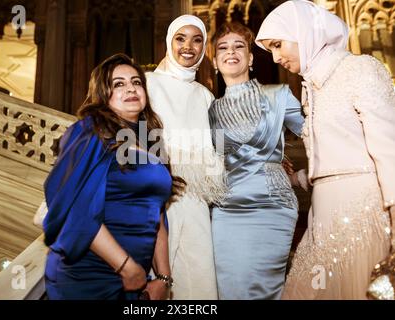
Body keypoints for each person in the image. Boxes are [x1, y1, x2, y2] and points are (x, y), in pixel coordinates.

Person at [256, 0, 395, 299]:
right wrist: (300, 176)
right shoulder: (311, 89)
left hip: (363, 214)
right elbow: (336, 159)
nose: (277, 57)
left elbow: (390, 152)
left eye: (279, 45)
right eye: (271, 51)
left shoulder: (360, 69)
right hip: (321, 216)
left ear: (304, 32)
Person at [42, 53, 183, 300]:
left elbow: (157, 212)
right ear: (102, 93)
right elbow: (76, 209)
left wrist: (163, 278)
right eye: (118, 84)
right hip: (89, 273)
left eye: (136, 82)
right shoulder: (90, 131)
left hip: (138, 276)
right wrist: (125, 267)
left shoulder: (150, 139)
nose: (130, 88)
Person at [208, 22, 305, 300]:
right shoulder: (209, 110)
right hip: (226, 210)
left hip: (272, 207)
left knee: (265, 290)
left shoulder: (279, 96)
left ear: (250, 58)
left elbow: (316, 134)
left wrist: (302, 175)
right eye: (223, 48)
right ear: (215, 61)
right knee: (231, 289)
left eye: (239, 46)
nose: (231, 52)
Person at [145, 14, 226, 299]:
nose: (188, 46)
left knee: (197, 279)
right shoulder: (147, 83)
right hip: (157, 198)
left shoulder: (205, 96)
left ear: (204, 48)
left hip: (194, 200)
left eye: (197, 40)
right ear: (169, 42)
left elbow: (218, 148)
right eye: (180, 38)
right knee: (155, 280)